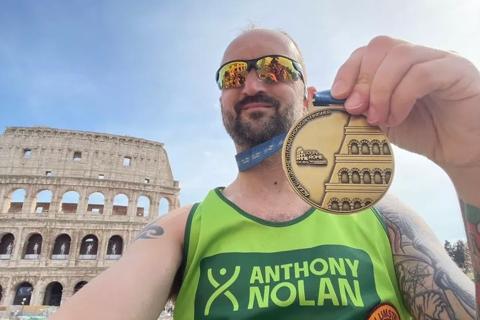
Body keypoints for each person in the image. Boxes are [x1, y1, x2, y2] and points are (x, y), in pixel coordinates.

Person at [51, 28, 480, 320]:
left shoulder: (381, 214)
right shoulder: (181, 230)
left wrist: (470, 163)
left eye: (276, 69)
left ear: (309, 96)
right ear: (221, 101)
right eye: (234, 74)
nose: (252, 84)